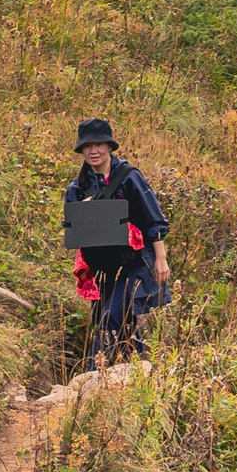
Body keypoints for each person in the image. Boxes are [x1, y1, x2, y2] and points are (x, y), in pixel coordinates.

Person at [66, 118, 170, 366]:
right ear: (81, 150)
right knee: (120, 322)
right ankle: (143, 370)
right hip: (102, 267)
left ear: (109, 146)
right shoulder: (77, 188)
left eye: (99, 144)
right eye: (87, 145)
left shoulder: (129, 177)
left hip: (134, 263)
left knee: (108, 319)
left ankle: (90, 376)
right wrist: (85, 214)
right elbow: (73, 232)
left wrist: (161, 259)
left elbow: (154, 219)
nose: (93, 151)